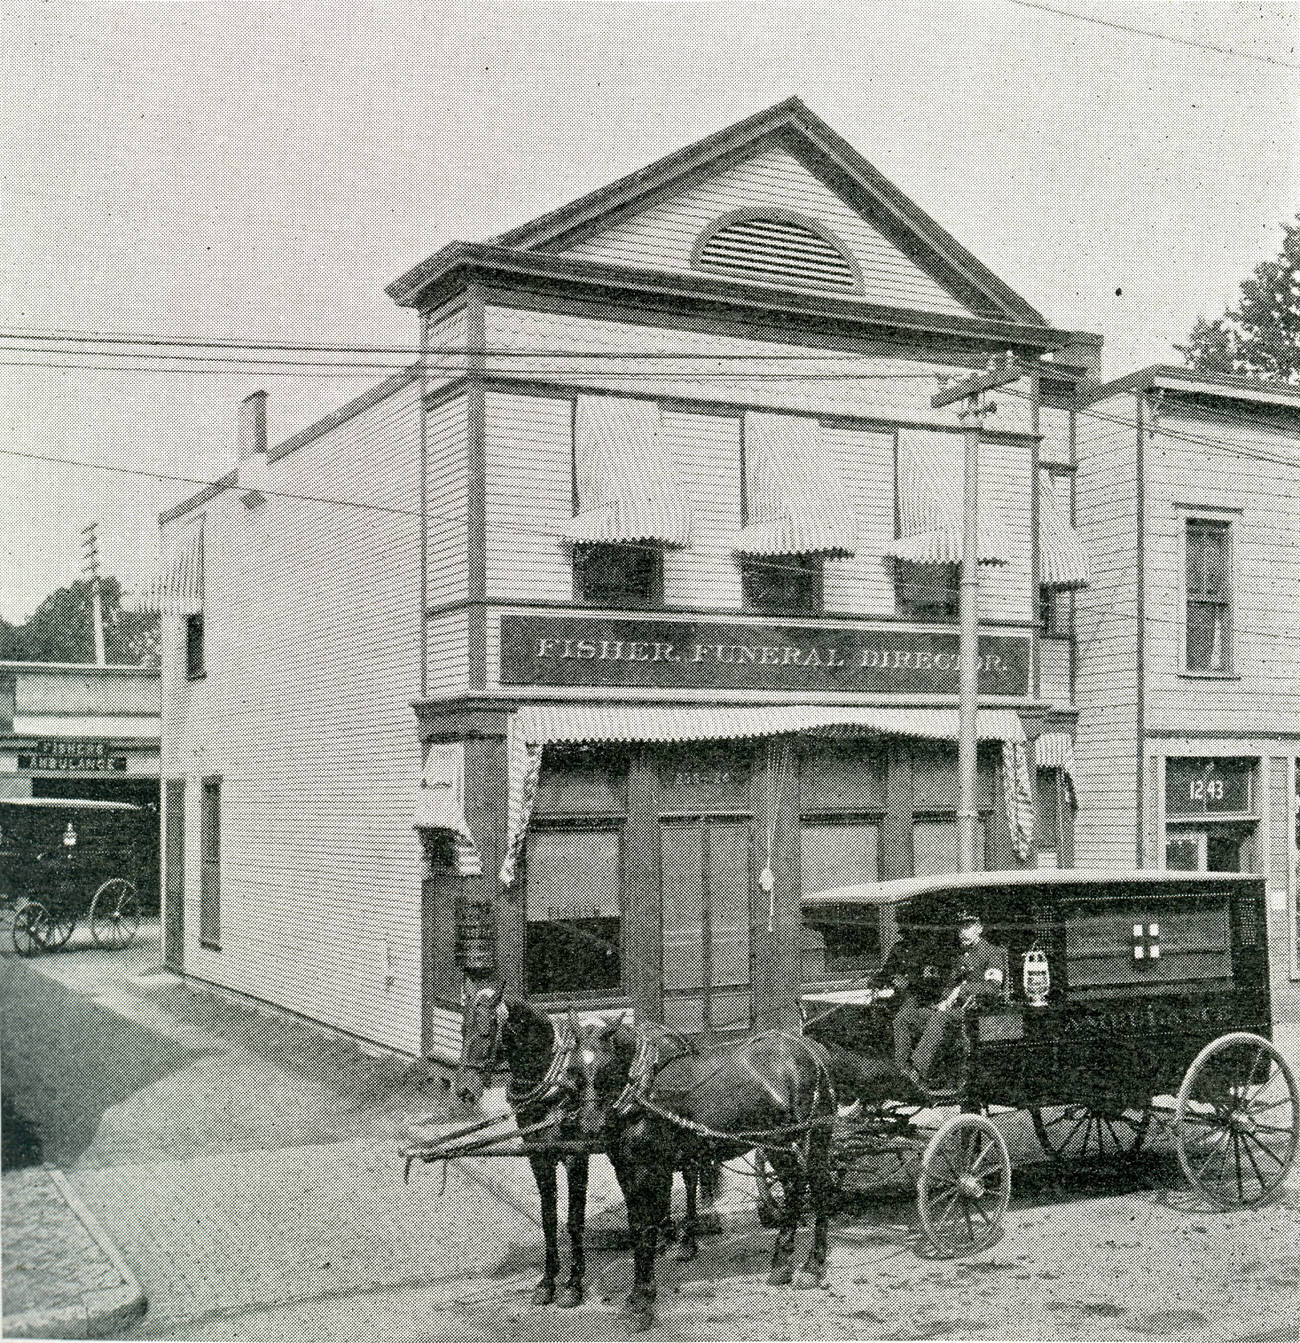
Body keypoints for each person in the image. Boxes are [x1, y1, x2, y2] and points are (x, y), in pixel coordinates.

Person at [901, 909, 1008, 1089]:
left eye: (967, 926)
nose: (962, 931)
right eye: (960, 927)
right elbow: (950, 986)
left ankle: (916, 1072)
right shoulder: (959, 955)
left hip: (978, 1012)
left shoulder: (992, 952)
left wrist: (962, 989)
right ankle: (901, 1068)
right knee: (906, 1017)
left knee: (940, 1018)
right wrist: (943, 1001)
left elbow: (993, 988)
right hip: (954, 1010)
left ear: (979, 928)